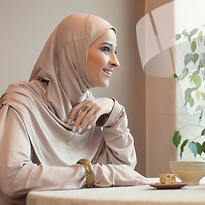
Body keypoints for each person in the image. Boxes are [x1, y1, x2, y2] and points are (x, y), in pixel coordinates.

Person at [0, 14, 149, 205]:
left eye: (115, 52)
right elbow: (13, 179)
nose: (115, 62)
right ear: (74, 51)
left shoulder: (93, 111)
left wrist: (115, 113)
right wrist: (93, 174)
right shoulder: (22, 102)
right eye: (106, 49)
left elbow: (124, 173)